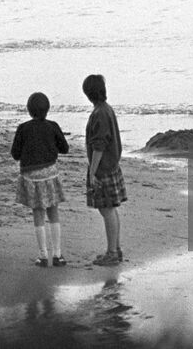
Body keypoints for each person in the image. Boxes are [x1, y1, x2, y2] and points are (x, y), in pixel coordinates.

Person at [11, 91, 70, 267]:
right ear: (47, 109)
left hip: (30, 176)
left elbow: (15, 154)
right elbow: (64, 148)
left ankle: (43, 256)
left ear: (29, 110)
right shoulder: (53, 126)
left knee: (38, 212)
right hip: (49, 173)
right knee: (53, 211)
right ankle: (58, 255)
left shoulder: (22, 128)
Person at [83, 74, 125, 266]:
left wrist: (92, 172)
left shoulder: (99, 113)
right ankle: (115, 249)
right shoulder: (106, 109)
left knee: (106, 210)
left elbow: (99, 146)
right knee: (110, 209)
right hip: (111, 165)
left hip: (103, 168)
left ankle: (112, 252)